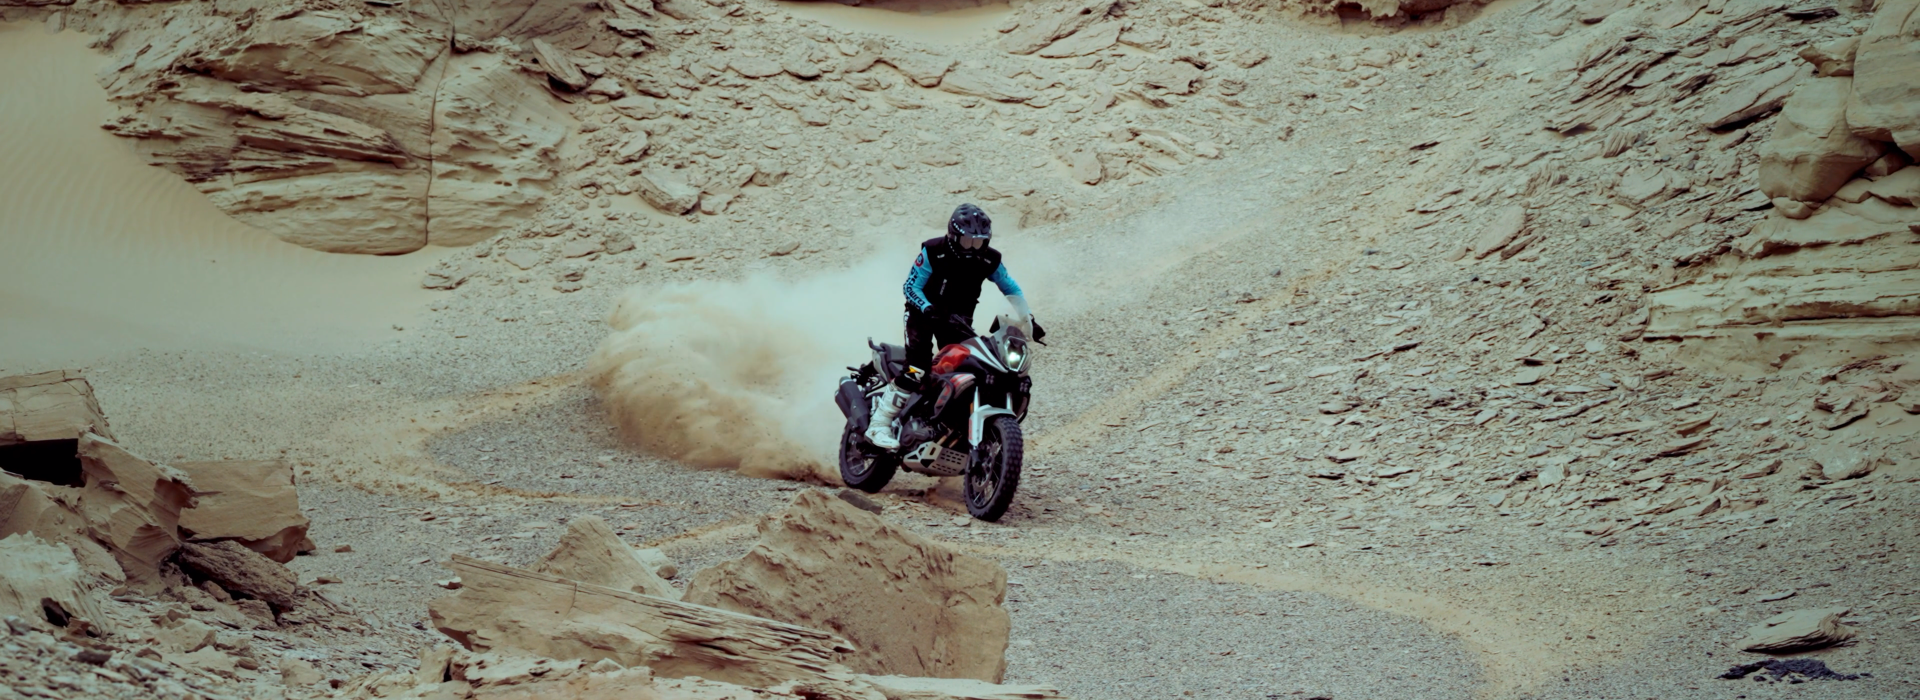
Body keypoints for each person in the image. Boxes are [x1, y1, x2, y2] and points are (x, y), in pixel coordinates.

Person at [865, 203, 1033, 450]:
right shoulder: (933, 251)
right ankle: (879, 424)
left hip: (958, 320)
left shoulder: (990, 259)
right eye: (967, 241)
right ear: (954, 236)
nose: (973, 247)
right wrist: (927, 308)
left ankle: (944, 423)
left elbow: (1010, 287)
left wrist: (1027, 317)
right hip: (922, 315)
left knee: (964, 366)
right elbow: (911, 286)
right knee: (916, 368)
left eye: (979, 242)